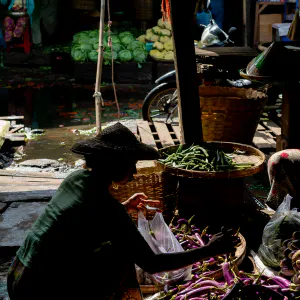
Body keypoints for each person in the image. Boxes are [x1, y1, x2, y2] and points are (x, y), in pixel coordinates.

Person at [7, 122, 239, 300]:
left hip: (18, 274)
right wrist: (209, 249)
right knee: (119, 256)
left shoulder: (77, 178)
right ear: (115, 165)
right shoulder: (105, 206)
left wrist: (124, 206)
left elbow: (80, 216)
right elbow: (152, 263)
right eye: (132, 164)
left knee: (109, 248)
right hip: (37, 289)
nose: (136, 171)